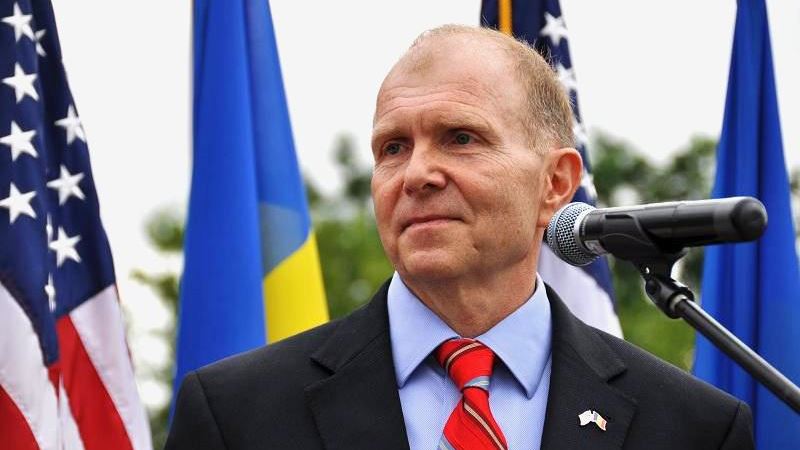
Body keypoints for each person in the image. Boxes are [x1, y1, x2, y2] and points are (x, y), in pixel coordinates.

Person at [166, 25, 753, 450]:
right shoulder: (235, 413)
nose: (417, 174)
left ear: (556, 183)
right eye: (393, 147)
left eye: (461, 138)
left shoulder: (691, 426)